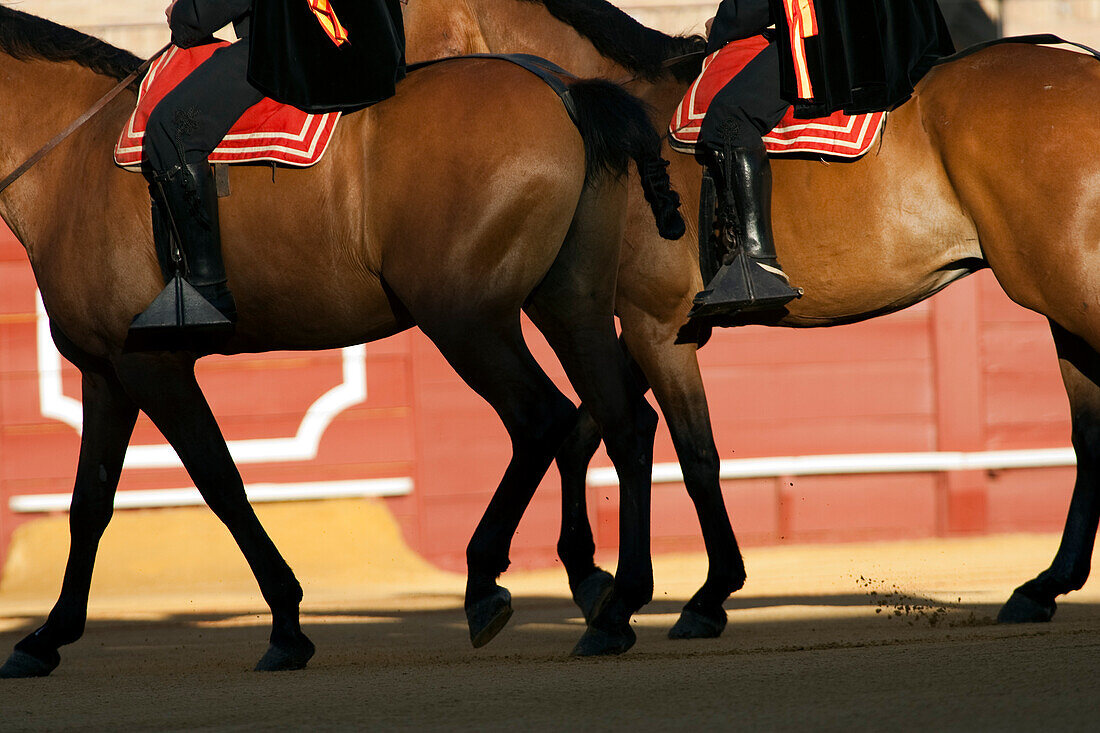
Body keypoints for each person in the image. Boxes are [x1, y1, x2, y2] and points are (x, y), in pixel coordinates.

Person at [130, 0, 406, 343]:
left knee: (170, 128)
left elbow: (208, 12)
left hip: (300, 49)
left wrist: (186, 15)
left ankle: (205, 291)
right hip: (374, 51)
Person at [689, 0, 954, 320]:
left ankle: (755, 262)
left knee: (729, 116)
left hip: (841, 37)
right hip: (910, 31)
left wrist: (725, 28)